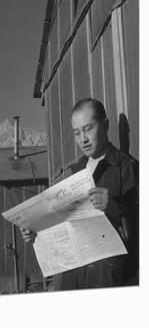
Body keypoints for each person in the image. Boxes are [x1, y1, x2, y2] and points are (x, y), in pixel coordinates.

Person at [21, 98, 138, 290]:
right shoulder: (71, 173)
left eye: (88, 129)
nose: (83, 138)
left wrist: (113, 206)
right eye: (77, 133)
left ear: (106, 125)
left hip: (107, 278)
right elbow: (59, 225)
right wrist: (36, 231)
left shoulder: (126, 167)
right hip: (71, 277)